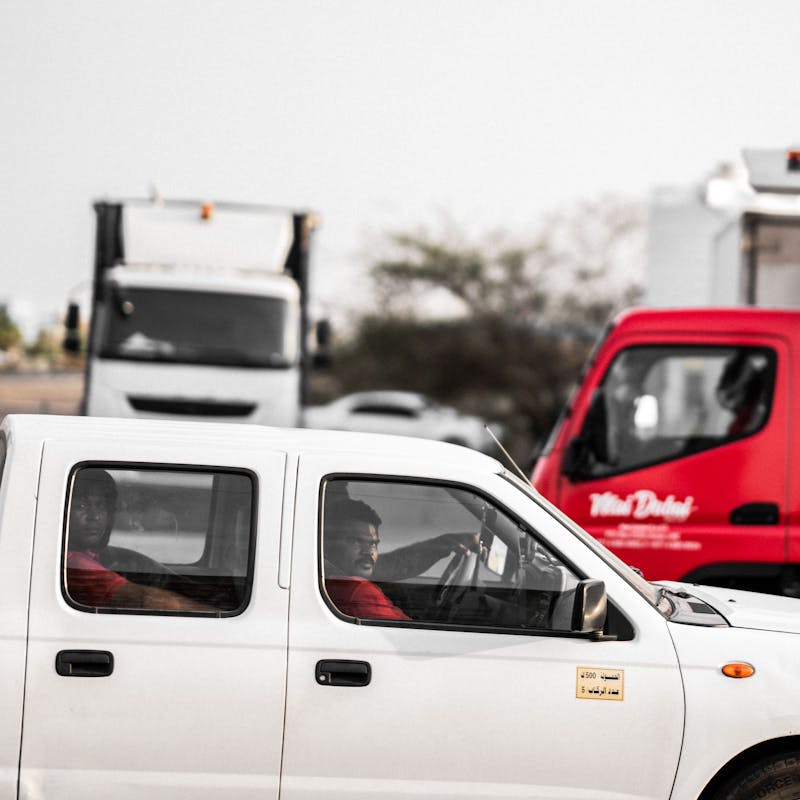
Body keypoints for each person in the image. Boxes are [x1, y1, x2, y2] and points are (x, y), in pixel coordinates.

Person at [66, 468, 212, 612]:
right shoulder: (74, 562)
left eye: (101, 506)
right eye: (81, 506)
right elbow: (153, 601)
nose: (95, 516)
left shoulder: (98, 556)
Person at [323, 494, 481, 620]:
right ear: (326, 545)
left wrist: (448, 543)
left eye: (373, 544)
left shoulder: (333, 581)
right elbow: (411, 640)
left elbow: (393, 565)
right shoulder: (357, 591)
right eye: (355, 541)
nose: (368, 552)